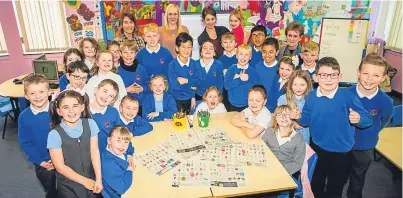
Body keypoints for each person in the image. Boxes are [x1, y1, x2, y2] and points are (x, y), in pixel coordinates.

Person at [290, 57, 372, 198]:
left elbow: (367, 120)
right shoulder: (311, 97)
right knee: (316, 183)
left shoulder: (347, 96)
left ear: (339, 77)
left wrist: (359, 118)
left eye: (333, 75)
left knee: (335, 187)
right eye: (323, 75)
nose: (328, 79)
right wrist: (298, 116)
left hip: (341, 152)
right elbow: (306, 121)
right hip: (317, 148)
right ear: (315, 77)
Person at [347, 53, 394, 198]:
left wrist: (371, 132)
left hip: (365, 147)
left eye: (375, 75)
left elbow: (383, 121)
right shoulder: (345, 94)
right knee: (337, 174)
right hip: (343, 144)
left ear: (384, 77)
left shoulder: (386, 102)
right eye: (365, 73)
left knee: (357, 180)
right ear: (358, 73)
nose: (369, 79)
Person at [47, 90, 102, 197]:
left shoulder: (91, 123)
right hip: (69, 186)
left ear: (82, 107)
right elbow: (60, 167)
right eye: (66, 107)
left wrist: (99, 179)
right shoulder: (54, 134)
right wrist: (84, 181)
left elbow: (94, 152)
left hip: (91, 179)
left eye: (75, 106)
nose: (71, 111)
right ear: (59, 111)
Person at [18, 74, 57, 198]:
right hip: (43, 163)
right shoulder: (24, 117)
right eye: (32, 93)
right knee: (51, 191)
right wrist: (40, 161)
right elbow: (25, 142)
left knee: (68, 189)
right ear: (26, 96)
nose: (38, 96)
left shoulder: (57, 111)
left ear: (49, 92)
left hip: (64, 159)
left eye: (41, 92)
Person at [262, 105, 305, 175]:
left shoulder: (299, 139)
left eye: (287, 114)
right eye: (279, 115)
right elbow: (262, 148)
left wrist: (280, 170)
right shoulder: (269, 131)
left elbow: (297, 163)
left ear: (293, 118)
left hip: (285, 172)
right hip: (267, 166)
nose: (283, 117)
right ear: (275, 119)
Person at [167, 32, 201, 114]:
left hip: (190, 99)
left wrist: (186, 81)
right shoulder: (172, 65)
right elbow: (174, 86)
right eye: (183, 47)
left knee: (190, 123)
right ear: (177, 48)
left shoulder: (194, 64)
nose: (186, 50)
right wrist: (191, 86)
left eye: (189, 47)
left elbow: (198, 82)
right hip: (175, 100)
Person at [277, 70, 313, 144]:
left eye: (302, 85)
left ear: (308, 85)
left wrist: (304, 123)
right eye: (295, 84)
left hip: (304, 138)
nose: (298, 88)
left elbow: (314, 118)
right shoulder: (283, 99)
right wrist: (293, 123)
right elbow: (278, 117)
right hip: (286, 138)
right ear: (290, 85)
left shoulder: (312, 99)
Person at [101, 126, 135, 198]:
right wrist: (129, 171)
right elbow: (121, 189)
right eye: (118, 140)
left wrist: (129, 154)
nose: (122, 145)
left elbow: (130, 146)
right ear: (109, 140)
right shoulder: (108, 164)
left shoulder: (115, 149)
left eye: (126, 142)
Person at [224, 44, 259, 112]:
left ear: (250, 57)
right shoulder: (231, 69)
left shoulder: (253, 71)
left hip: (248, 105)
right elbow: (226, 86)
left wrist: (247, 80)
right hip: (232, 103)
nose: (243, 57)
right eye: (241, 54)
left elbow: (256, 89)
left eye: (246, 55)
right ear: (236, 56)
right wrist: (238, 79)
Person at [89, 79, 121, 153]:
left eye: (111, 96)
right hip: (85, 155)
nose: (106, 96)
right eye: (105, 91)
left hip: (105, 153)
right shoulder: (82, 110)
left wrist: (128, 152)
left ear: (112, 101)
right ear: (96, 90)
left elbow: (119, 134)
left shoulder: (114, 112)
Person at [117, 41, 149, 108]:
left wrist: (142, 88)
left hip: (141, 104)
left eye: (132, 52)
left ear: (136, 54)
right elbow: (114, 91)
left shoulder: (141, 69)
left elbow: (149, 85)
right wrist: (126, 90)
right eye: (125, 52)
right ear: (120, 54)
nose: (129, 55)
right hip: (124, 105)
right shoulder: (117, 71)